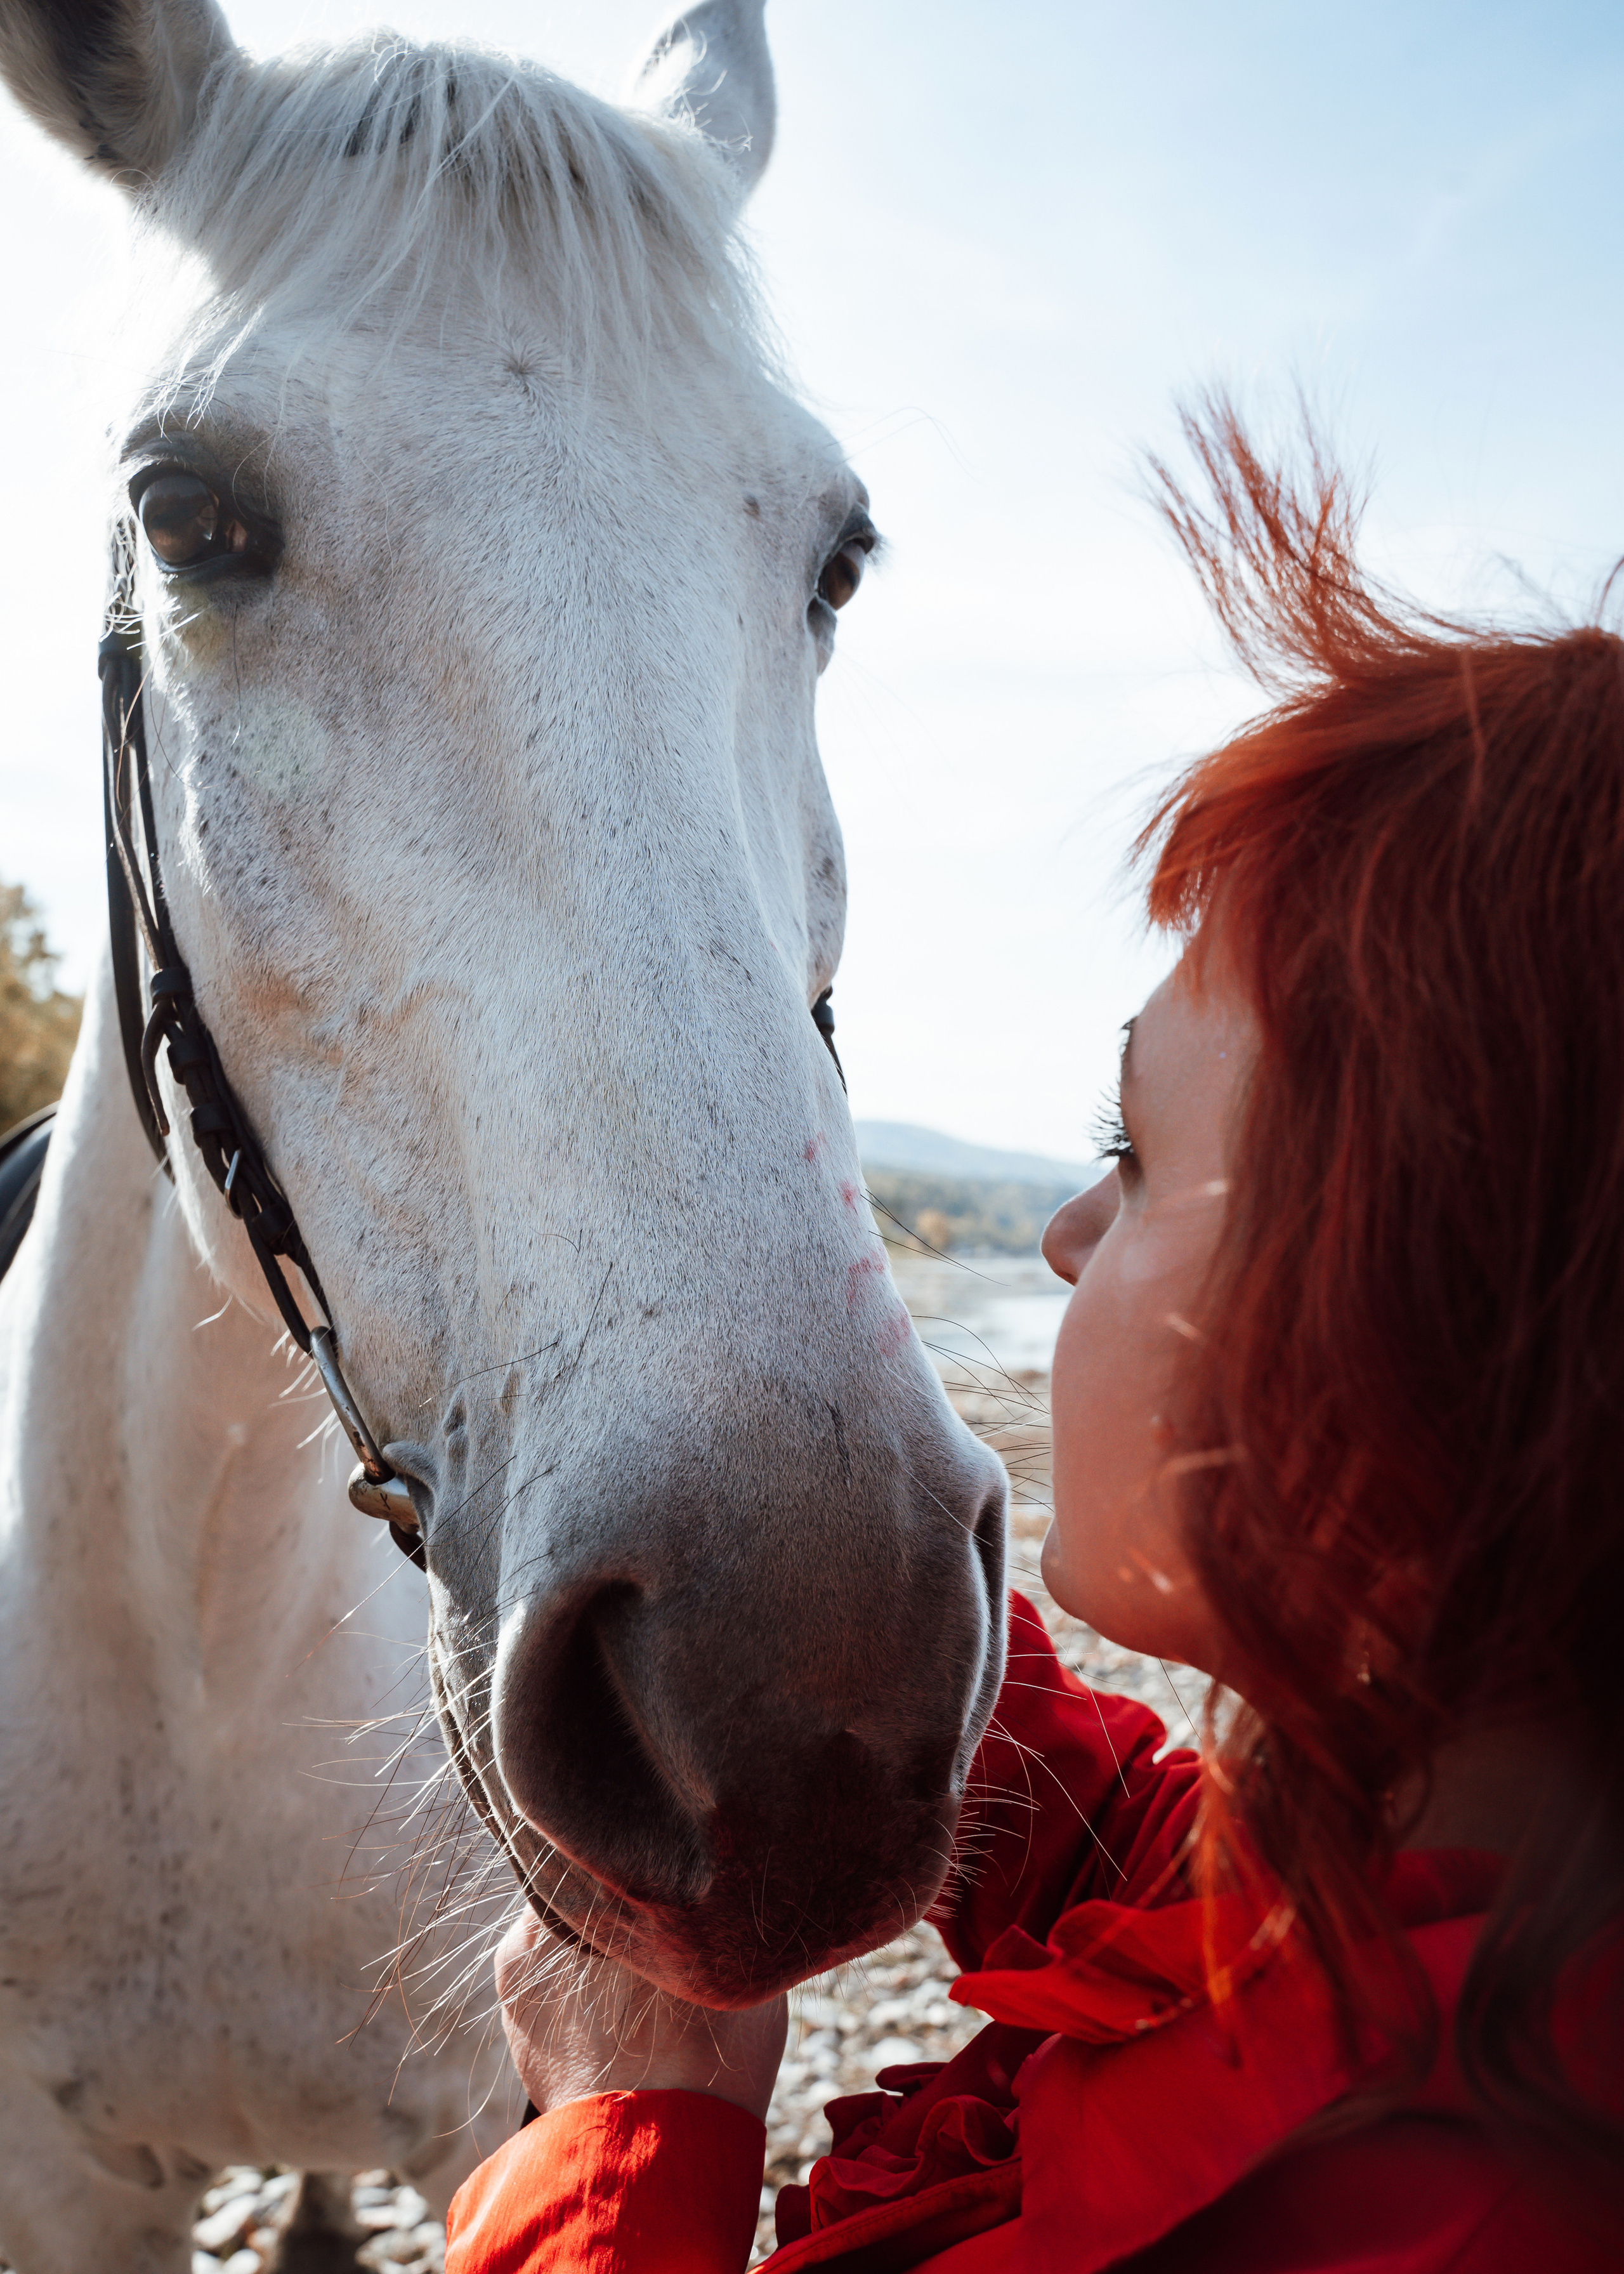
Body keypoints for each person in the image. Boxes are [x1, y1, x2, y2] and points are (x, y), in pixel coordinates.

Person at [442, 402, 1624, 2271]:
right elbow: (1170, 1884)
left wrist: (629, 2149)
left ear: (1444, 1322)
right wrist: (930, 1661)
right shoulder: (1464, 1889)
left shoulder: (1434, 2224)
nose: (1068, 1235)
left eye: (1136, 1158)